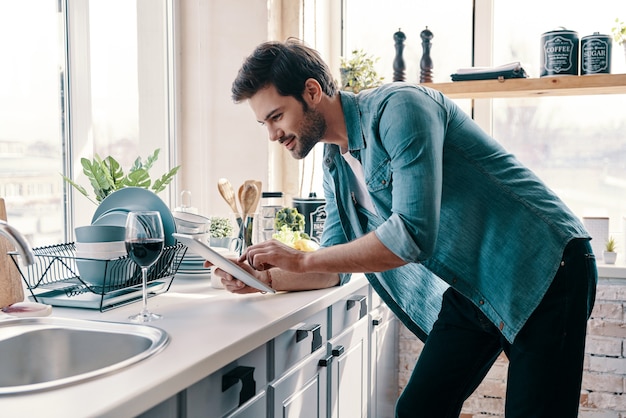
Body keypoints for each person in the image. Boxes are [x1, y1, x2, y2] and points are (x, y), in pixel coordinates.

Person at [217, 38, 597, 417]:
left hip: (545, 265)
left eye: (276, 116)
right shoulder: (335, 168)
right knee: (417, 410)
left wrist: (299, 261)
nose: (271, 134)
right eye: (264, 123)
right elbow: (328, 269)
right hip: (475, 285)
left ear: (312, 92)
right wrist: (259, 278)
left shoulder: (400, 108)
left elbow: (412, 235)